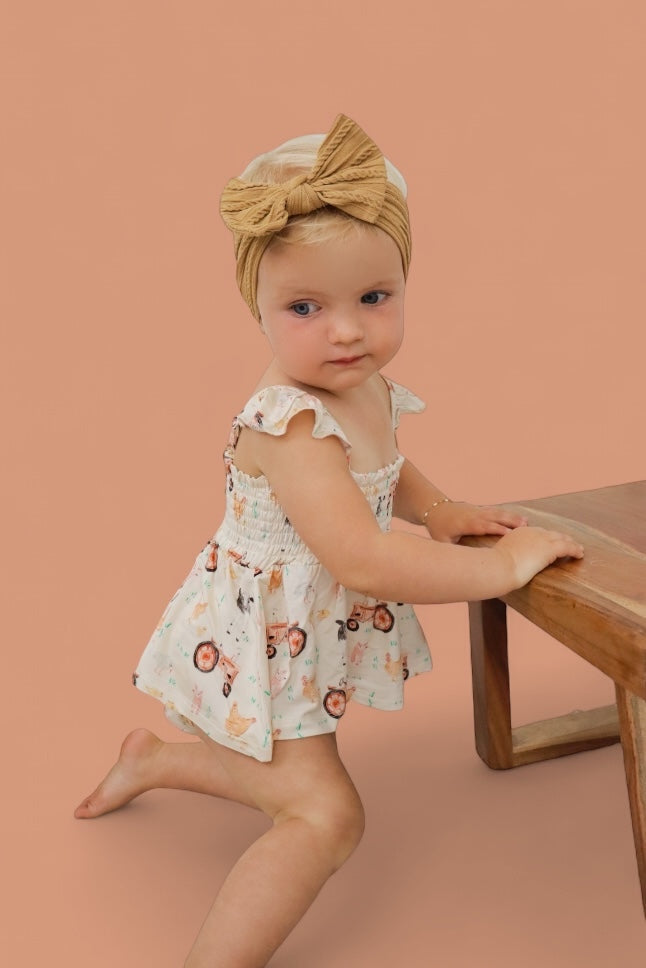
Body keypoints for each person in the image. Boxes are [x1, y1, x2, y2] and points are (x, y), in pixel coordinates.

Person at [74, 113, 584, 967]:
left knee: (285, 772)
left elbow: (385, 467)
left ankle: (153, 759)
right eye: (306, 308)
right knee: (324, 814)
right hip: (262, 633)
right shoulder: (293, 425)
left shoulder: (361, 384)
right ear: (259, 308)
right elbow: (362, 558)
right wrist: (499, 567)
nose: (347, 331)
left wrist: (437, 509)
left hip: (307, 627)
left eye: (373, 299)